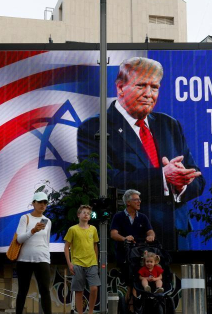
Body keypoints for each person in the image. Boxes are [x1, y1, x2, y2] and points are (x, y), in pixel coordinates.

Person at [77, 56, 205, 250]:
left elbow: (197, 177)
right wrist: (162, 177)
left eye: (154, 87)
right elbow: (104, 181)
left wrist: (181, 184)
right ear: (120, 88)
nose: (148, 94)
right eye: (141, 86)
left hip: (177, 239)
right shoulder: (95, 127)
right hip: (134, 239)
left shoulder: (169, 124)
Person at [13, 192, 62, 314]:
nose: (42, 205)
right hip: (24, 259)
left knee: (45, 290)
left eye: (45, 202)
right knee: (23, 290)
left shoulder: (48, 221)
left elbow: (46, 242)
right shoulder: (25, 218)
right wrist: (33, 230)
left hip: (42, 258)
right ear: (33, 203)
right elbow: (19, 239)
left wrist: (47, 257)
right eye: (40, 202)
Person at [110, 189, 155, 314]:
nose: (139, 202)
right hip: (125, 257)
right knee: (131, 285)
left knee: (138, 285)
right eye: (136, 200)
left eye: (139, 200)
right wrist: (124, 238)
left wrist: (150, 236)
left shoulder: (142, 217)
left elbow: (150, 230)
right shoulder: (118, 217)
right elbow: (113, 233)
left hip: (140, 257)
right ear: (128, 202)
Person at [64, 205, 101, 314]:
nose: (86, 215)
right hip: (77, 263)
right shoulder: (73, 229)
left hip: (91, 263)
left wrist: (96, 260)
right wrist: (70, 263)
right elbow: (66, 247)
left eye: (88, 213)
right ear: (78, 215)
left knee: (94, 288)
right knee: (79, 291)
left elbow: (95, 245)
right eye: (84, 213)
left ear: (90, 217)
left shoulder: (93, 229)